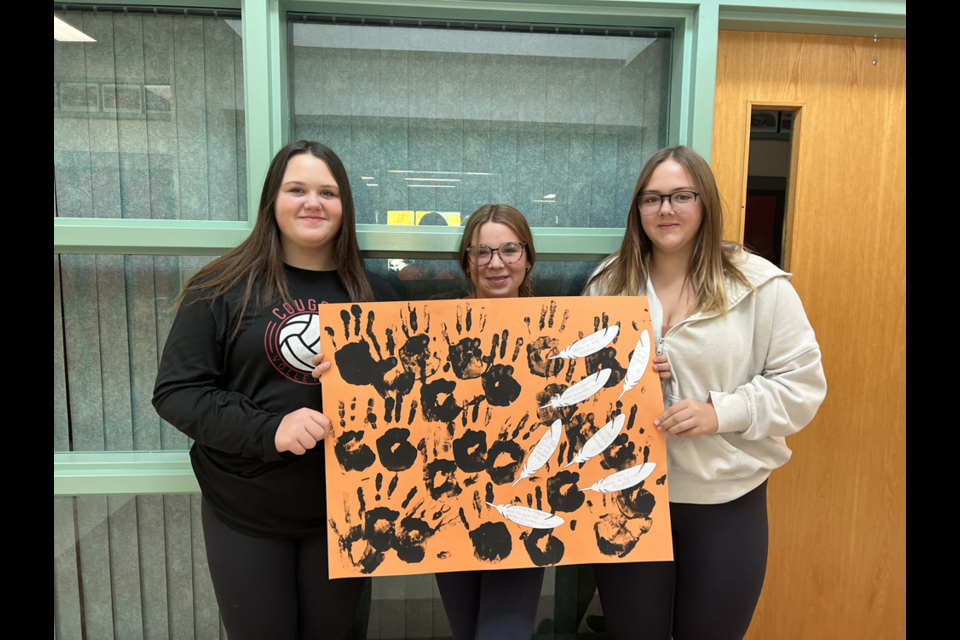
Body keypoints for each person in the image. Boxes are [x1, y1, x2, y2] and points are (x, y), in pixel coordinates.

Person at [153, 141, 399, 640]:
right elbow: (177, 392)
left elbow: (405, 399)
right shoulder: (220, 287)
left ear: (344, 206)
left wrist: (371, 379)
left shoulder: (378, 295)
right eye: (297, 189)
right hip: (246, 510)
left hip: (346, 512)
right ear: (272, 200)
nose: (313, 202)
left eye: (327, 192)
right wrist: (271, 429)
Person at [583, 146, 827, 640]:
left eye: (681, 196)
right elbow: (581, 388)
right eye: (651, 199)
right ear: (638, 210)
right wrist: (614, 377)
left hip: (724, 500)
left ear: (706, 202)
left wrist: (721, 412)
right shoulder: (608, 282)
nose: (666, 209)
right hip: (628, 497)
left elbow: (803, 386)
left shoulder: (760, 286)